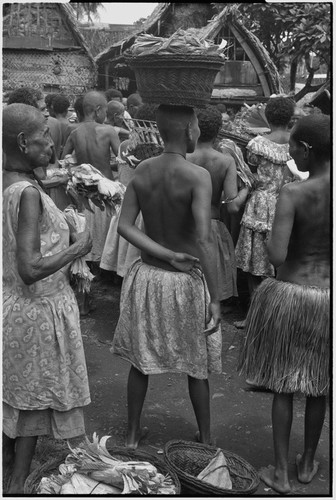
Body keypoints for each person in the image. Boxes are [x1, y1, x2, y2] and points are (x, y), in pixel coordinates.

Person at [111, 104, 222, 449]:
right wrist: (216, 297)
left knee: (140, 360)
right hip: (186, 282)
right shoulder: (197, 176)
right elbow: (203, 238)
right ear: (191, 129)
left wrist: (163, 253)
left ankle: (131, 435)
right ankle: (204, 437)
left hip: (146, 277)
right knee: (196, 364)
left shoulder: (142, 171)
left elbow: (126, 226)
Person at [2, 103, 92, 493]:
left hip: (15, 306)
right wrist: (78, 246)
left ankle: (10, 474)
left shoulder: (11, 182)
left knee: (18, 399)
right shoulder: (28, 195)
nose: (51, 144)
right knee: (33, 404)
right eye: (44, 136)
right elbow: (30, 267)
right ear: (23, 142)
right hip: (36, 309)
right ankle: (18, 484)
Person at [238, 114, 330, 494]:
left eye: (293, 147)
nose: (290, 153)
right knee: (319, 386)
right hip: (329, 301)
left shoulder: (293, 193)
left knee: (283, 385)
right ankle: (308, 462)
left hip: (292, 295)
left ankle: (280, 472)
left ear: (306, 149)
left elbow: (276, 255)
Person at [234, 96, 295, 328]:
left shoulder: (257, 144)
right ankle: (280, 317)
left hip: (260, 205)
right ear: (290, 118)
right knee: (283, 264)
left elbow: (250, 170)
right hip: (288, 204)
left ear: (267, 116)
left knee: (254, 265)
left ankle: (254, 317)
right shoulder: (296, 143)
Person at [62, 91, 120, 312]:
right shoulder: (108, 131)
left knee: (84, 249)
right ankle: (113, 289)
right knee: (106, 244)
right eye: (105, 109)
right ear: (98, 110)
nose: (106, 113)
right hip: (106, 197)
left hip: (83, 196)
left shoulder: (74, 132)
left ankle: (84, 302)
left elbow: (65, 161)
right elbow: (121, 161)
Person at [187, 105, 240, 304]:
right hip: (212, 226)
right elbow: (232, 205)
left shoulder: (183, 157)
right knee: (209, 288)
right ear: (219, 131)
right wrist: (247, 189)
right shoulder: (226, 161)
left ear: (193, 128)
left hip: (184, 226)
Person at [6, 86, 70, 210]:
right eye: (41, 109)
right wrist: (57, 182)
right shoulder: (22, 187)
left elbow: (53, 162)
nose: (46, 113)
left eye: (46, 108)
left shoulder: (46, 128)